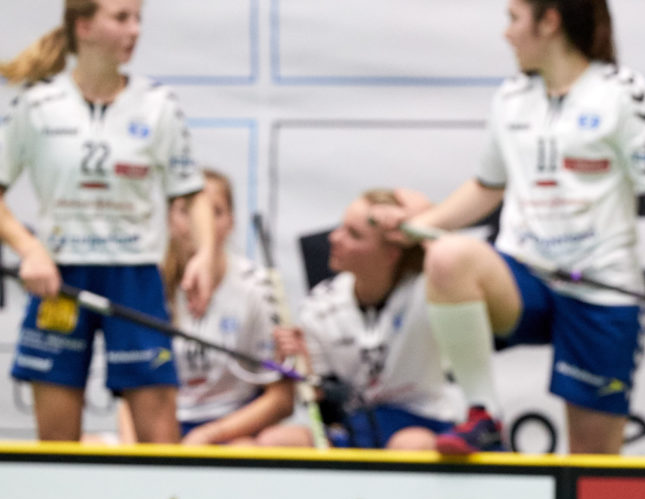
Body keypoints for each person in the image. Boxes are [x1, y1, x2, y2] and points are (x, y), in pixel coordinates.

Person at [382, 0, 645, 455]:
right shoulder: (511, 97)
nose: (507, 33)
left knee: (592, 468)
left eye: (514, 19)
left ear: (549, 21)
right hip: (526, 277)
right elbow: (487, 185)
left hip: (602, 290)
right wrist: (419, 226)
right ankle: (483, 414)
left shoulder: (623, 92)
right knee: (448, 257)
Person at [0, 0, 215, 443]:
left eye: (138, 19)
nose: (134, 30)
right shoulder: (38, 104)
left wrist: (205, 254)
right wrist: (30, 248)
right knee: (57, 448)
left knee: (160, 442)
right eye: (121, 18)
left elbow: (192, 197)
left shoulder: (157, 104)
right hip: (60, 278)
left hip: (134, 275)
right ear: (84, 26)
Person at [256, 189, 463, 451]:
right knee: (276, 441)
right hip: (355, 426)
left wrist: (406, 218)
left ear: (392, 253)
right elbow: (324, 409)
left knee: (409, 444)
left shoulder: (430, 291)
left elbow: (450, 244)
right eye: (340, 227)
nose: (334, 238)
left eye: (353, 234)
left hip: (423, 423)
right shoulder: (319, 306)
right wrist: (305, 370)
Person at [162, 170, 294, 445]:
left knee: (247, 450)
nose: (201, 225)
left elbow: (281, 398)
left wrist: (209, 434)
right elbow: (130, 392)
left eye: (215, 212)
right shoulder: (150, 284)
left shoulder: (255, 287)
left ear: (231, 222)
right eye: (185, 211)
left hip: (232, 425)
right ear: (168, 219)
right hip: (162, 423)